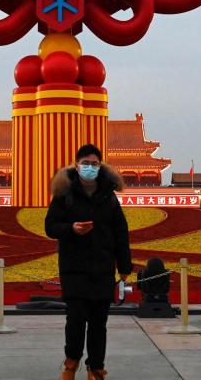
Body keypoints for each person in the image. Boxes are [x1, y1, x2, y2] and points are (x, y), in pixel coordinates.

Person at [45, 144, 133, 380]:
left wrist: (124, 267)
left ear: (100, 165)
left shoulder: (109, 196)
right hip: (74, 268)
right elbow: (50, 227)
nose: (90, 168)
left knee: (98, 324)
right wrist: (71, 229)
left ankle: (95, 368)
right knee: (75, 320)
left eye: (95, 164)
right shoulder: (64, 193)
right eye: (86, 163)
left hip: (102, 268)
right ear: (77, 165)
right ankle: (71, 363)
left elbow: (120, 233)